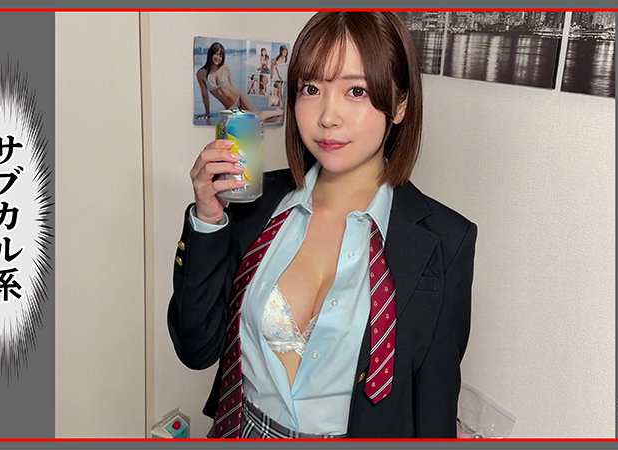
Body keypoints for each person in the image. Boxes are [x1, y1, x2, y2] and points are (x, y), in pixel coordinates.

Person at [170, 12, 477, 438]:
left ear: (400, 105)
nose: (328, 116)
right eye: (311, 89)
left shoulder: (446, 241)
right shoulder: (253, 205)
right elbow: (196, 348)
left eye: (356, 90)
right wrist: (207, 219)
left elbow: (434, 409)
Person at [196, 42, 261, 121]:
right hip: (230, 107)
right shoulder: (201, 74)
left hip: (239, 97)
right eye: (216, 54)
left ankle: (274, 113)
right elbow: (205, 96)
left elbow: (231, 87)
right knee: (249, 122)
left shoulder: (225, 68)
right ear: (211, 54)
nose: (218, 58)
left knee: (258, 117)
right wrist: (207, 113)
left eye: (221, 56)